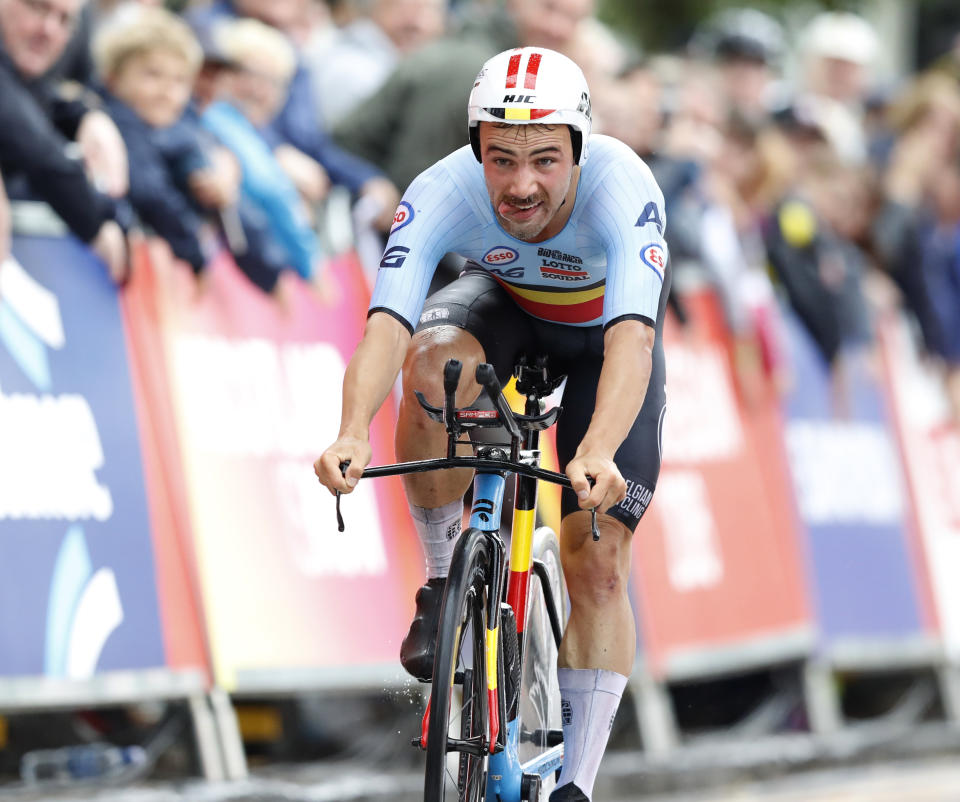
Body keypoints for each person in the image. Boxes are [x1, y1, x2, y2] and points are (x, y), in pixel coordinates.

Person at [315, 47, 669, 802]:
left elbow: (632, 341)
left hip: (606, 339)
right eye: (501, 160)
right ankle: (448, 582)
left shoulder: (624, 182)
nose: (521, 184)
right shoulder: (441, 188)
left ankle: (575, 782)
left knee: (597, 559)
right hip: (505, 309)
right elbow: (385, 321)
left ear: (578, 149)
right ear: (477, 150)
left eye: (545, 159)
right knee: (434, 363)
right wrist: (352, 430)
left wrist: (597, 450)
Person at [0, 0, 129, 281]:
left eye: (64, 20)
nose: (48, 30)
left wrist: (88, 115)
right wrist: (96, 222)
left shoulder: (28, 71)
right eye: (37, 8)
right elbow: (32, 142)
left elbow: (43, 99)